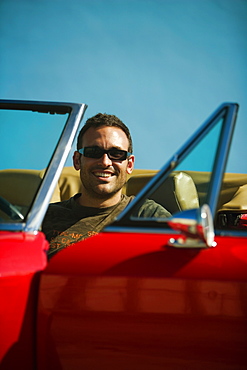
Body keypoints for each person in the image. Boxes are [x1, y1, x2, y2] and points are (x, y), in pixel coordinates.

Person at [42, 113, 171, 257]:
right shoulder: (43, 218)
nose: (105, 162)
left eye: (116, 154)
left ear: (129, 164)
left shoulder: (147, 216)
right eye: (94, 152)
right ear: (77, 160)